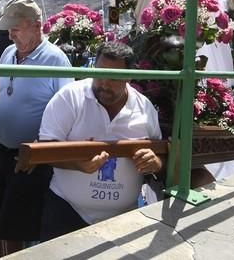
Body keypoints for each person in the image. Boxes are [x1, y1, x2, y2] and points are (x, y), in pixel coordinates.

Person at [0, 0, 73, 259]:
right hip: (0, 145)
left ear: (36, 25)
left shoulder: (56, 60)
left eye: (16, 28)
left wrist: (39, 151)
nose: (10, 33)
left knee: (15, 223)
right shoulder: (9, 52)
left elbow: (66, 110)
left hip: (29, 154)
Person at [37, 42, 163, 241]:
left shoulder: (144, 108)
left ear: (129, 76)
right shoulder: (70, 97)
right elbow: (44, 150)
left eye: (114, 77)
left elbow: (158, 154)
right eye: (100, 73)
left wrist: (154, 164)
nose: (104, 83)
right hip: (66, 211)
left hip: (124, 219)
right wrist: (77, 164)